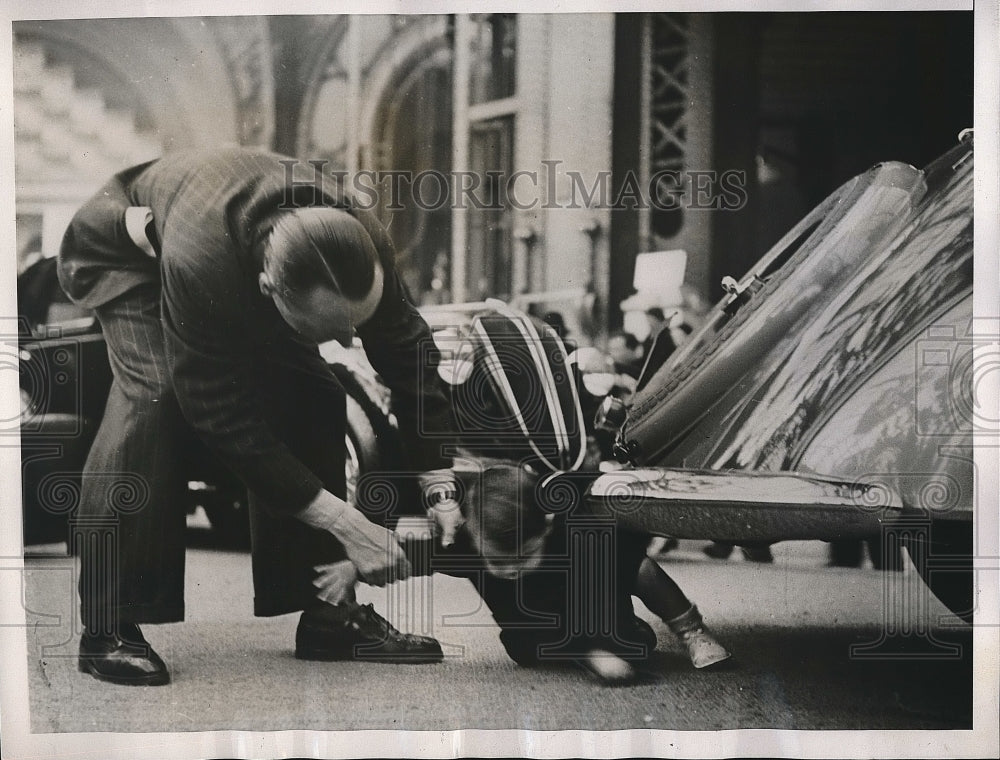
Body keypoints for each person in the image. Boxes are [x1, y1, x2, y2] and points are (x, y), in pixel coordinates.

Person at [58, 147, 464, 686]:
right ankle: (108, 626)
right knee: (156, 394)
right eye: (333, 329)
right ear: (269, 290)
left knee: (316, 389)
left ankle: (328, 615)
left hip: (218, 233)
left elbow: (406, 346)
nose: (349, 339)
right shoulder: (203, 265)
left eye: (354, 324)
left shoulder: (359, 234)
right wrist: (346, 523)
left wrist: (439, 478)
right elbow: (219, 412)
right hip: (128, 246)